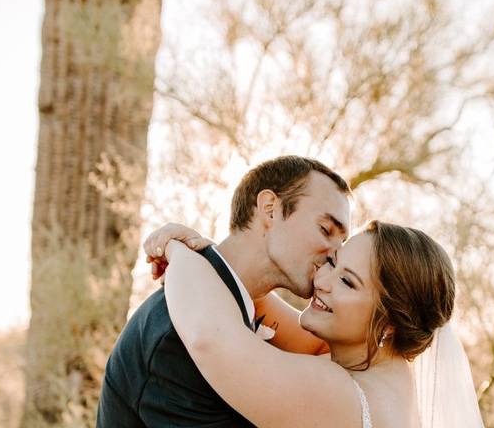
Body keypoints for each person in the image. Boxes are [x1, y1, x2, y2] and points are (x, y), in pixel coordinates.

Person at [146, 217, 482, 428]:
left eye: (348, 282)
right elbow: (258, 298)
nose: (322, 280)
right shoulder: (389, 379)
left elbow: (210, 338)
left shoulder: (339, 395)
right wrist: (211, 255)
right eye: (333, 262)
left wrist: (177, 251)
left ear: (391, 323)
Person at [96, 155, 352, 427]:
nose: (336, 255)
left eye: (343, 242)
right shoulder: (177, 340)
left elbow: (336, 348)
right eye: (326, 229)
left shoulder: (234, 307)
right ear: (270, 209)